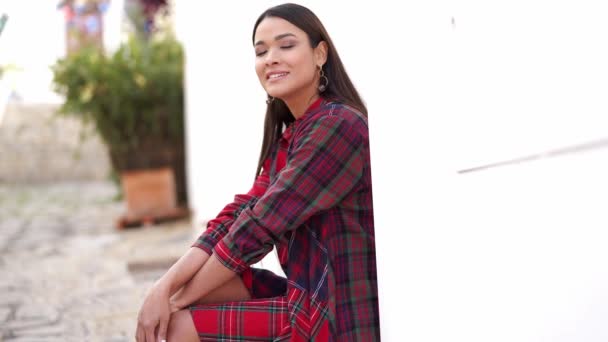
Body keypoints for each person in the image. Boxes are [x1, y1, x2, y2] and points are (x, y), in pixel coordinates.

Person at [136, 3, 380, 341]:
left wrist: (175, 302)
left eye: (287, 45)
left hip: (339, 316)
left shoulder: (338, 125)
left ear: (320, 53)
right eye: (261, 51)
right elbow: (236, 216)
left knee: (178, 326)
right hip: (305, 299)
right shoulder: (290, 137)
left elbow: (261, 225)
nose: (271, 58)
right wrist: (164, 288)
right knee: (204, 290)